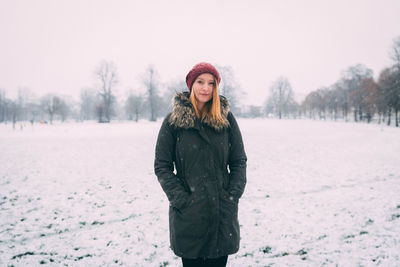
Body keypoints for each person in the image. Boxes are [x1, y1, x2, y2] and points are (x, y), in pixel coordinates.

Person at [154, 62, 247, 267]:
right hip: (189, 217)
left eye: (211, 83)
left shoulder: (225, 119)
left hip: (221, 215)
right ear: (191, 85)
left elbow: (239, 161)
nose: (206, 88)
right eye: (200, 82)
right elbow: (162, 166)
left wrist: (232, 195)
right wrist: (183, 200)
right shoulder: (173, 122)